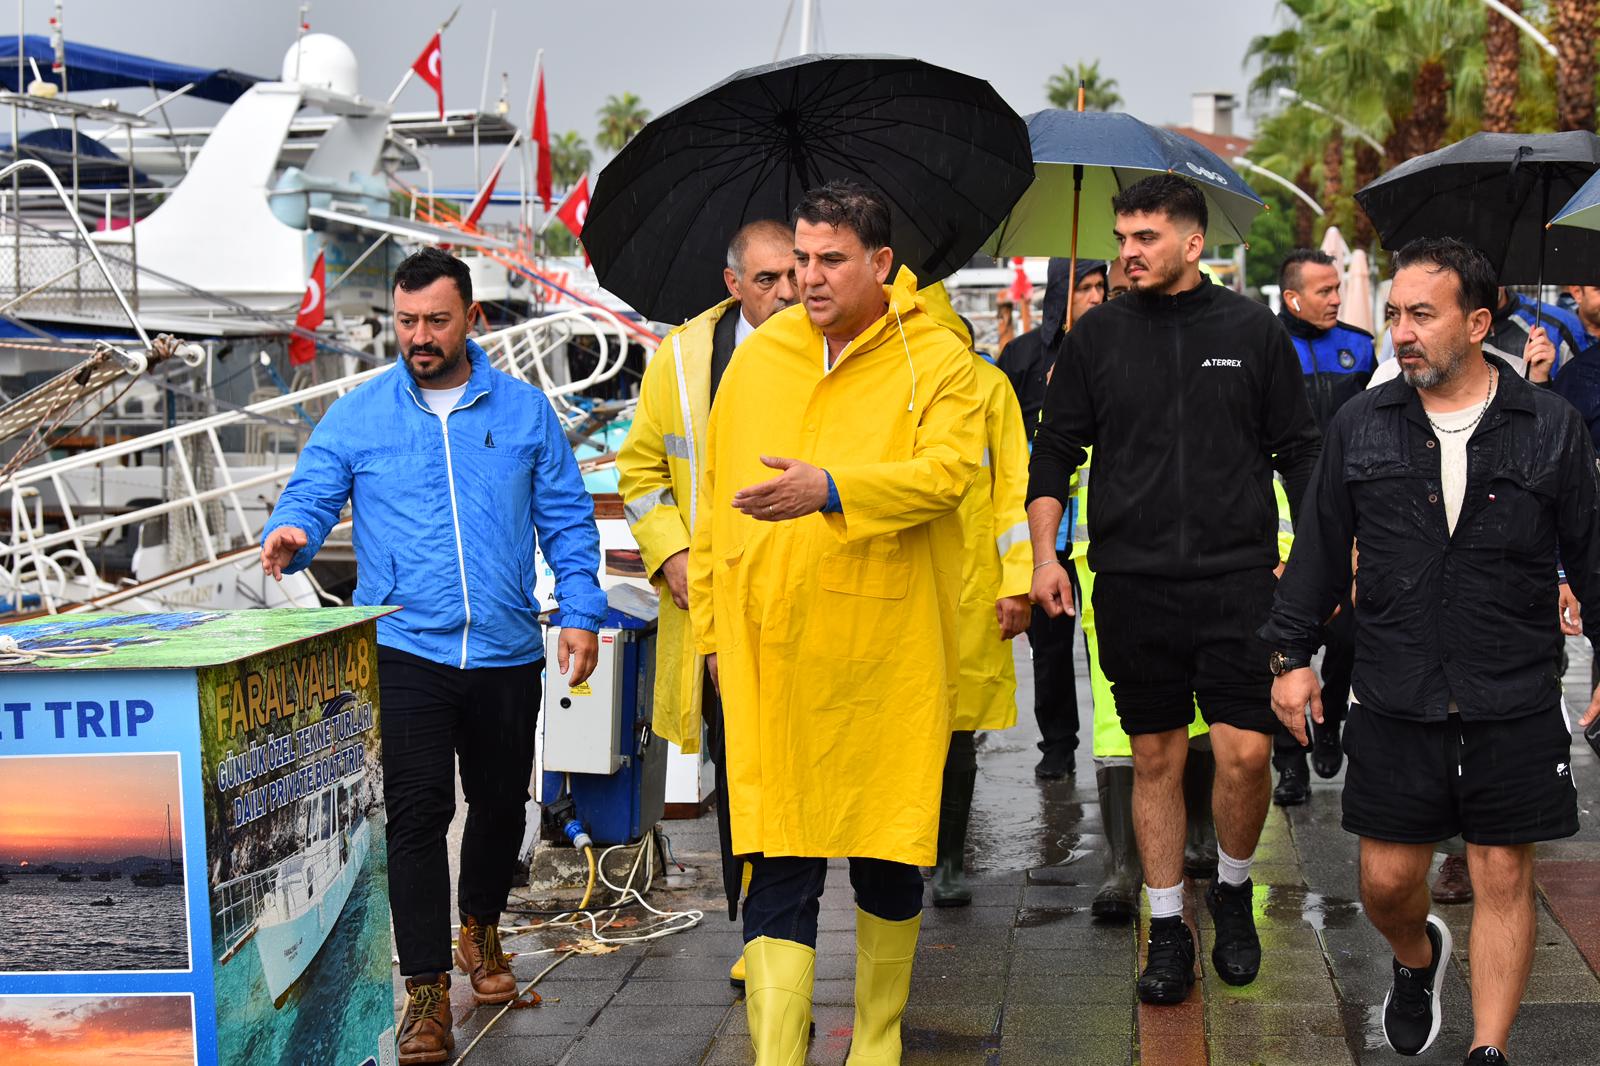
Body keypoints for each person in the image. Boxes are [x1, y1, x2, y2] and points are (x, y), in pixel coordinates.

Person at [260, 248, 606, 1066]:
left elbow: (565, 519)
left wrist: (582, 612)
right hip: (405, 648)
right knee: (417, 818)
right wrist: (295, 533)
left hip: (506, 648)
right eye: (407, 321)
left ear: (472, 319)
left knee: (500, 805)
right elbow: (313, 491)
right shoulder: (360, 414)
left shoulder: (523, 414)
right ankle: (423, 996)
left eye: (436, 321)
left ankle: (479, 928)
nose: (419, 336)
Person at [1265, 237, 1600, 1064]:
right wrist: (1289, 659)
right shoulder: (1360, 426)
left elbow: (1593, 556)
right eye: (1393, 315)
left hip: (1512, 691)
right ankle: (1417, 961)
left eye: (1422, 314)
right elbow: (1316, 551)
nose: (1401, 332)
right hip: (1395, 689)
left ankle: (1490, 1048)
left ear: (1478, 322)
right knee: (1384, 883)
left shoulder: (1550, 428)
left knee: (1501, 874)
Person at [689, 180, 982, 1065]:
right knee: (777, 855)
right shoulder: (763, 354)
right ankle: (778, 1054)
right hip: (772, 649)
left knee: (889, 850)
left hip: (886, 654)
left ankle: (877, 1043)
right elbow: (714, 506)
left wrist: (835, 488)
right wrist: (709, 630)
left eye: (830, 261)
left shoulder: (936, 356)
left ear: (881, 264)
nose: (807, 281)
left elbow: (949, 472)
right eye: (801, 261)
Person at [1027, 173, 1320, 1006]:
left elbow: (1300, 450)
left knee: (1246, 752)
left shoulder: (1252, 330)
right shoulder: (1095, 338)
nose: (1127, 253)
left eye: (1145, 238)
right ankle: (1166, 926)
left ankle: (1230, 888)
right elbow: (1055, 454)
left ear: (1193, 244)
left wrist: (1317, 562)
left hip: (1238, 582)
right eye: (1121, 238)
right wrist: (1048, 555)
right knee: (1153, 756)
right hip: (1131, 581)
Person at [615, 219, 796, 989]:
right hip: (720, 611)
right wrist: (673, 555)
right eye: (767, 280)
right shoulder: (685, 358)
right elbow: (642, 471)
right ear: (732, 284)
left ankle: (792, 926)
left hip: (808, 598)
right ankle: (760, 932)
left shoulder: (836, 346)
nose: (788, 292)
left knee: (800, 768)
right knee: (739, 767)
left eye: (795, 274)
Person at [927, 303, 1032, 907]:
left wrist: (1015, 581)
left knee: (958, 728)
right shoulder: (891, 381)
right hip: (904, 584)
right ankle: (919, 851)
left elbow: (1011, 491)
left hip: (969, 585)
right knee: (904, 725)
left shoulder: (988, 387)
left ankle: (948, 857)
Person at [1272, 248, 1375, 801]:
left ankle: (1329, 722)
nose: (1336, 298)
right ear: (1293, 297)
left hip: (1350, 513)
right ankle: (1289, 762)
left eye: (1339, 288)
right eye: (1324, 291)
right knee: (1287, 638)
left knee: (1348, 634)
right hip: (1287, 516)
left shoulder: (1358, 347)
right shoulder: (1265, 345)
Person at [999, 257, 1107, 779]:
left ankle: (1116, 739)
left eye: (1101, 287)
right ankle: (1057, 744)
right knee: (1049, 647)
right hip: (1046, 528)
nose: (1094, 296)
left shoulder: (1118, 346)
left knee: (1103, 639)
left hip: (1099, 527)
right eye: (1084, 287)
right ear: (1060, 294)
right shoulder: (1020, 356)